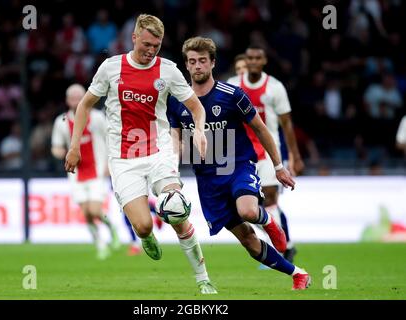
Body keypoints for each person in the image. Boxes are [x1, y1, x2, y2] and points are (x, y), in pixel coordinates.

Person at [64, 14, 217, 294]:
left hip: (159, 152)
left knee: (176, 210)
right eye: (146, 44)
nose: (150, 51)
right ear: (133, 38)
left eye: (156, 46)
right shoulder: (111, 68)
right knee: (144, 226)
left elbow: (196, 106)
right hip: (123, 160)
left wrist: (198, 130)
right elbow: (85, 106)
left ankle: (203, 278)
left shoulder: (168, 70)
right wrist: (74, 146)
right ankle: (145, 236)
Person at [168, 36, 311, 290]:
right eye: (192, 62)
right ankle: (298, 273)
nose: (197, 66)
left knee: (247, 211)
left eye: (203, 61)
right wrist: (169, 173)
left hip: (237, 166)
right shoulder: (176, 101)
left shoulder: (232, 94)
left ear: (213, 63)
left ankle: (267, 220)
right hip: (207, 179)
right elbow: (175, 141)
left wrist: (279, 167)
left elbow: (261, 129)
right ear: (186, 66)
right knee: (247, 239)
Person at [227, 44, 304, 263]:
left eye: (256, 58)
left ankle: (284, 249)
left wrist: (294, 155)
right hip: (240, 155)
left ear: (263, 61)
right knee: (247, 207)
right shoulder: (232, 86)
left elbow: (286, 124)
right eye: (248, 58)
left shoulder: (275, 87)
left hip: (269, 155)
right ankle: (282, 245)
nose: (252, 62)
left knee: (270, 200)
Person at [51, 84, 121, 260]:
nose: (76, 101)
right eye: (72, 97)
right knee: (86, 213)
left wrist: (109, 165)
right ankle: (100, 244)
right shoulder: (62, 122)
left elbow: (111, 140)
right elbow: (56, 146)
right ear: (67, 100)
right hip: (76, 174)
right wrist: (59, 152)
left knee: (95, 210)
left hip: (97, 171)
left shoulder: (97, 118)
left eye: (79, 97)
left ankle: (111, 227)